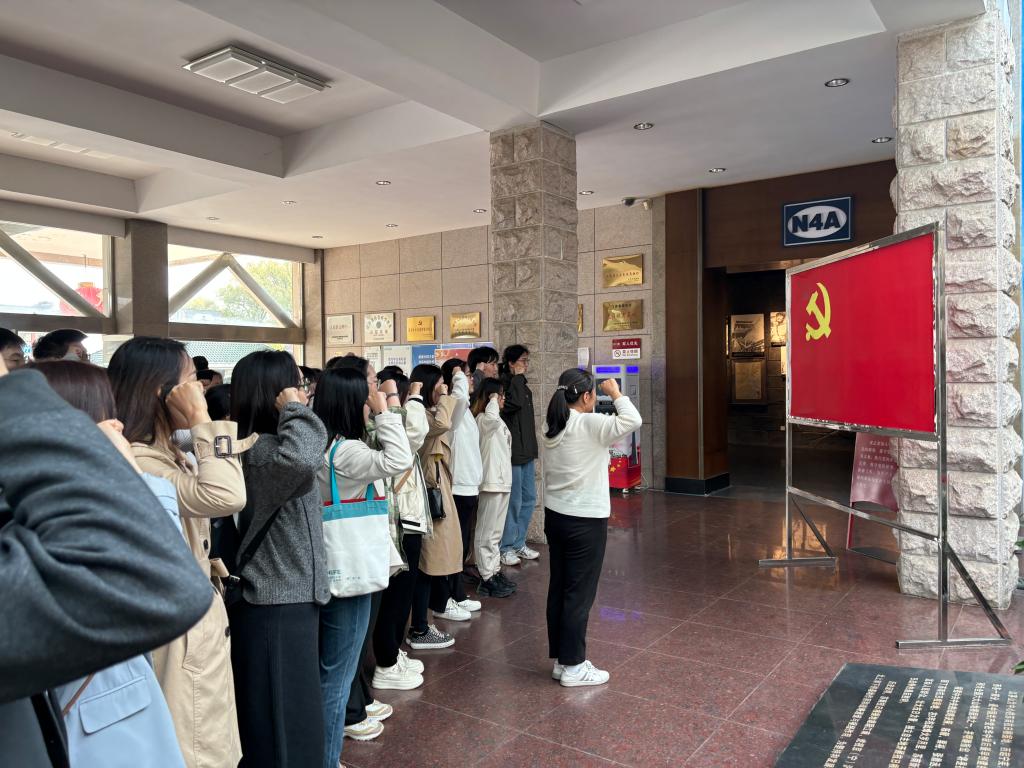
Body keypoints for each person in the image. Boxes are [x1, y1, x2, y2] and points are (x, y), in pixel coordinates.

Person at [0, 353, 212, 768]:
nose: (118, 424)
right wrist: (120, 471)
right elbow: (221, 500)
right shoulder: (131, 468)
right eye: (102, 414)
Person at [109, 337, 250, 768]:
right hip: (181, 639)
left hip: (194, 625)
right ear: (161, 391)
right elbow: (227, 495)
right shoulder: (142, 463)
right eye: (191, 381)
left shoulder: (169, 453)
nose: (200, 390)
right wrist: (202, 418)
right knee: (197, 747)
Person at [229, 351, 329, 768]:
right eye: (295, 385)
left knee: (293, 719)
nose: (303, 393)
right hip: (274, 602)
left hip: (287, 598)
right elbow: (305, 457)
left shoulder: (268, 448)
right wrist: (294, 408)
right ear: (273, 393)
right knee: (285, 728)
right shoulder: (262, 453)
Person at [313, 367, 412, 767]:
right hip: (351, 574)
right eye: (367, 394)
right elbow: (400, 458)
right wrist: (386, 412)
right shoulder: (346, 452)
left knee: (332, 669)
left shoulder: (323, 444)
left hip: (330, 566)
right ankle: (326, 760)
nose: (373, 399)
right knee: (338, 674)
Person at [542, 369, 641, 687]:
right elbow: (633, 420)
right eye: (594, 395)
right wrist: (615, 392)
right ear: (586, 396)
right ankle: (573, 666)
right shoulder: (590, 424)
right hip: (585, 521)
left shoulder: (552, 424)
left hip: (556, 516)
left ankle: (562, 660)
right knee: (578, 594)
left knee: (560, 588)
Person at [371, 370, 430, 692]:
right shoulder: (384, 427)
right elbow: (415, 433)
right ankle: (387, 661)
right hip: (400, 520)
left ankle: (392, 652)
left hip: (407, 516)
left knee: (402, 595)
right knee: (396, 595)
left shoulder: (386, 425)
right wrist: (412, 397)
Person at [408, 363, 471, 640]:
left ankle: (430, 617)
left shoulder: (431, 413)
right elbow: (444, 424)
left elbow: (451, 418)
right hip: (430, 494)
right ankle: (420, 626)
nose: (442, 390)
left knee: (434, 562)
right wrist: (446, 395)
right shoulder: (420, 416)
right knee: (428, 562)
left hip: (438, 489)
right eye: (438, 385)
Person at [442, 357, 483, 613]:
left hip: (468, 485)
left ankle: (457, 593)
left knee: (462, 544)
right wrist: (457, 373)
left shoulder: (465, 410)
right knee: (454, 546)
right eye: (467, 375)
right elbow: (459, 397)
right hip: (457, 487)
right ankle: (450, 596)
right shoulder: (453, 407)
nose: (470, 379)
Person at [473, 378, 516, 598]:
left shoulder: (497, 419)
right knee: (486, 532)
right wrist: (491, 399)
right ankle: (486, 576)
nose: (503, 399)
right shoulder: (483, 419)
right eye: (500, 395)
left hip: (502, 482)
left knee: (496, 532)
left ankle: (494, 570)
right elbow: (490, 418)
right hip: (490, 482)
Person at [498, 344, 540, 566]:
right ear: (511, 363)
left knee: (529, 498)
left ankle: (518, 543)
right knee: (514, 502)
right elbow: (512, 405)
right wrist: (516, 378)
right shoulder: (505, 384)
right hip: (513, 453)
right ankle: (505, 547)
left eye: (527, 360)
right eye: (523, 360)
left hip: (526, 451)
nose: (526, 364)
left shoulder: (521, 383)